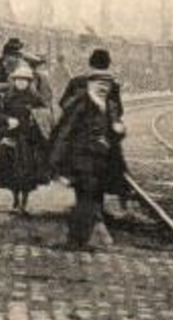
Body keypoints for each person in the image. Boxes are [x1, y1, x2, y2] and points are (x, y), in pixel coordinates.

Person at [49, 71, 126, 251]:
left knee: (90, 199)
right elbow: (65, 133)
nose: (103, 88)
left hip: (102, 162)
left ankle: (79, 239)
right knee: (87, 198)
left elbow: (115, 135)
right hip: (81, 160)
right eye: (99, 84)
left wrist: (118, 130)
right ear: (90, 85)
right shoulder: (80, 105)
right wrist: (56, 162)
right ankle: (79, 240)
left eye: (107, 86)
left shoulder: (110, 106)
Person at [0, 64, 48, 215]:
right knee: (10, 171)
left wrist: (34, 117)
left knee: (26, 173)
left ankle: (24, 203)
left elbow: (45, 115)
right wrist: (8, 120)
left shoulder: (36, 98)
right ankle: (15, 201)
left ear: (29, 82)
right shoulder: (8, 97)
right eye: (18, 80)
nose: (20, 83)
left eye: (24, 80)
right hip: (11, 137)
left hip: (28, 139)